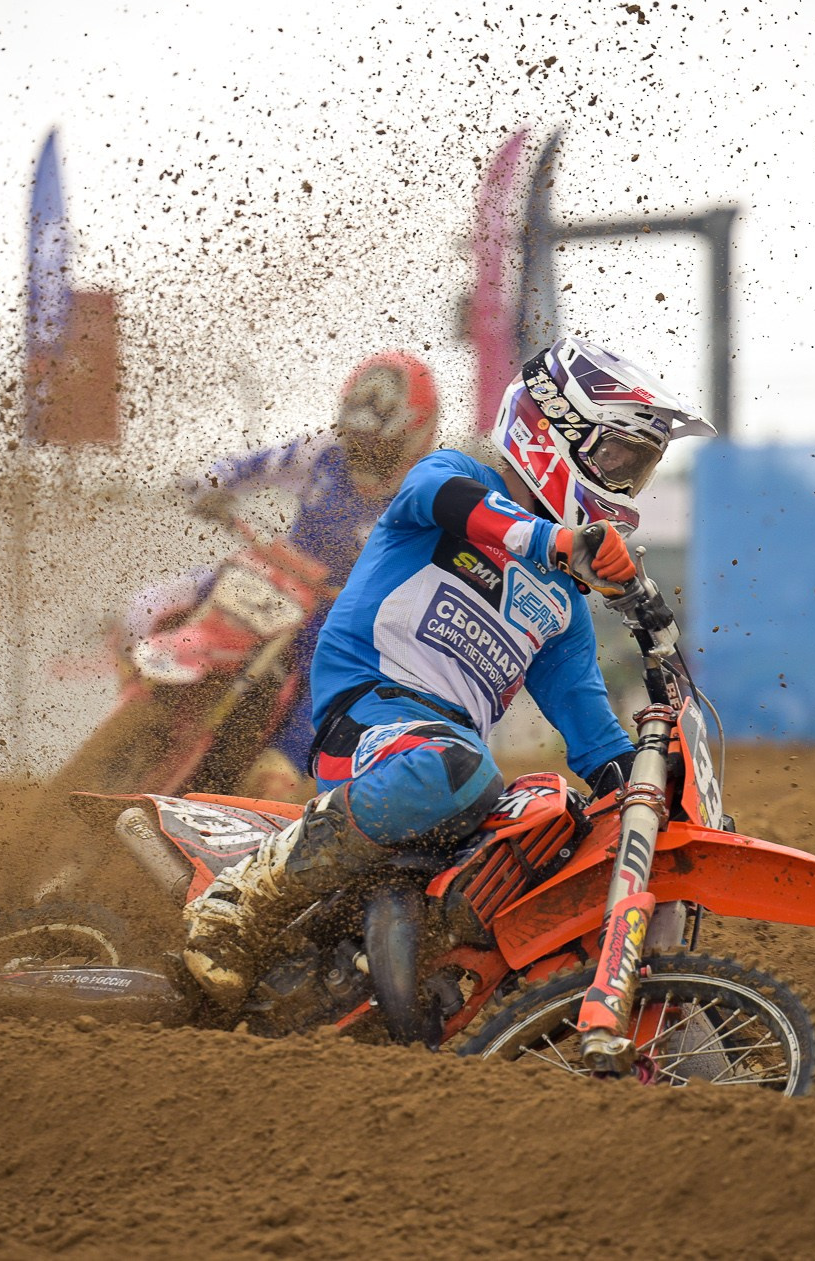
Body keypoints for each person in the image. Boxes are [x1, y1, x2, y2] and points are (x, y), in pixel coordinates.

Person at [182, 336, 716, 1005]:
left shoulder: (560, 605)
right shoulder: (446, 480)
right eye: (615, 457)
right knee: (459, 768)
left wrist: (649, 789)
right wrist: (557, 541)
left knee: (554, 823)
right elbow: (461, 506)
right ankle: (246, 896)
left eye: (636, 468)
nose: (624, 482)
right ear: (553, 434)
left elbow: (593, 733)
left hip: (447, 764)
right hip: (372, 718)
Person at [123, 352, 440, 797]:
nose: (362, 450)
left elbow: (436, 571)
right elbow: (251, 465)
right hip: (269, 576)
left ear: (413, 434)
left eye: (378, 443)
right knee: (146, 605)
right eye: (356, 436)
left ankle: (265, 803)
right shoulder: (324, 452)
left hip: (337, 618)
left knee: (284, 769)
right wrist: (209, 483)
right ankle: (137, 704)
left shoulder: (427, 495)